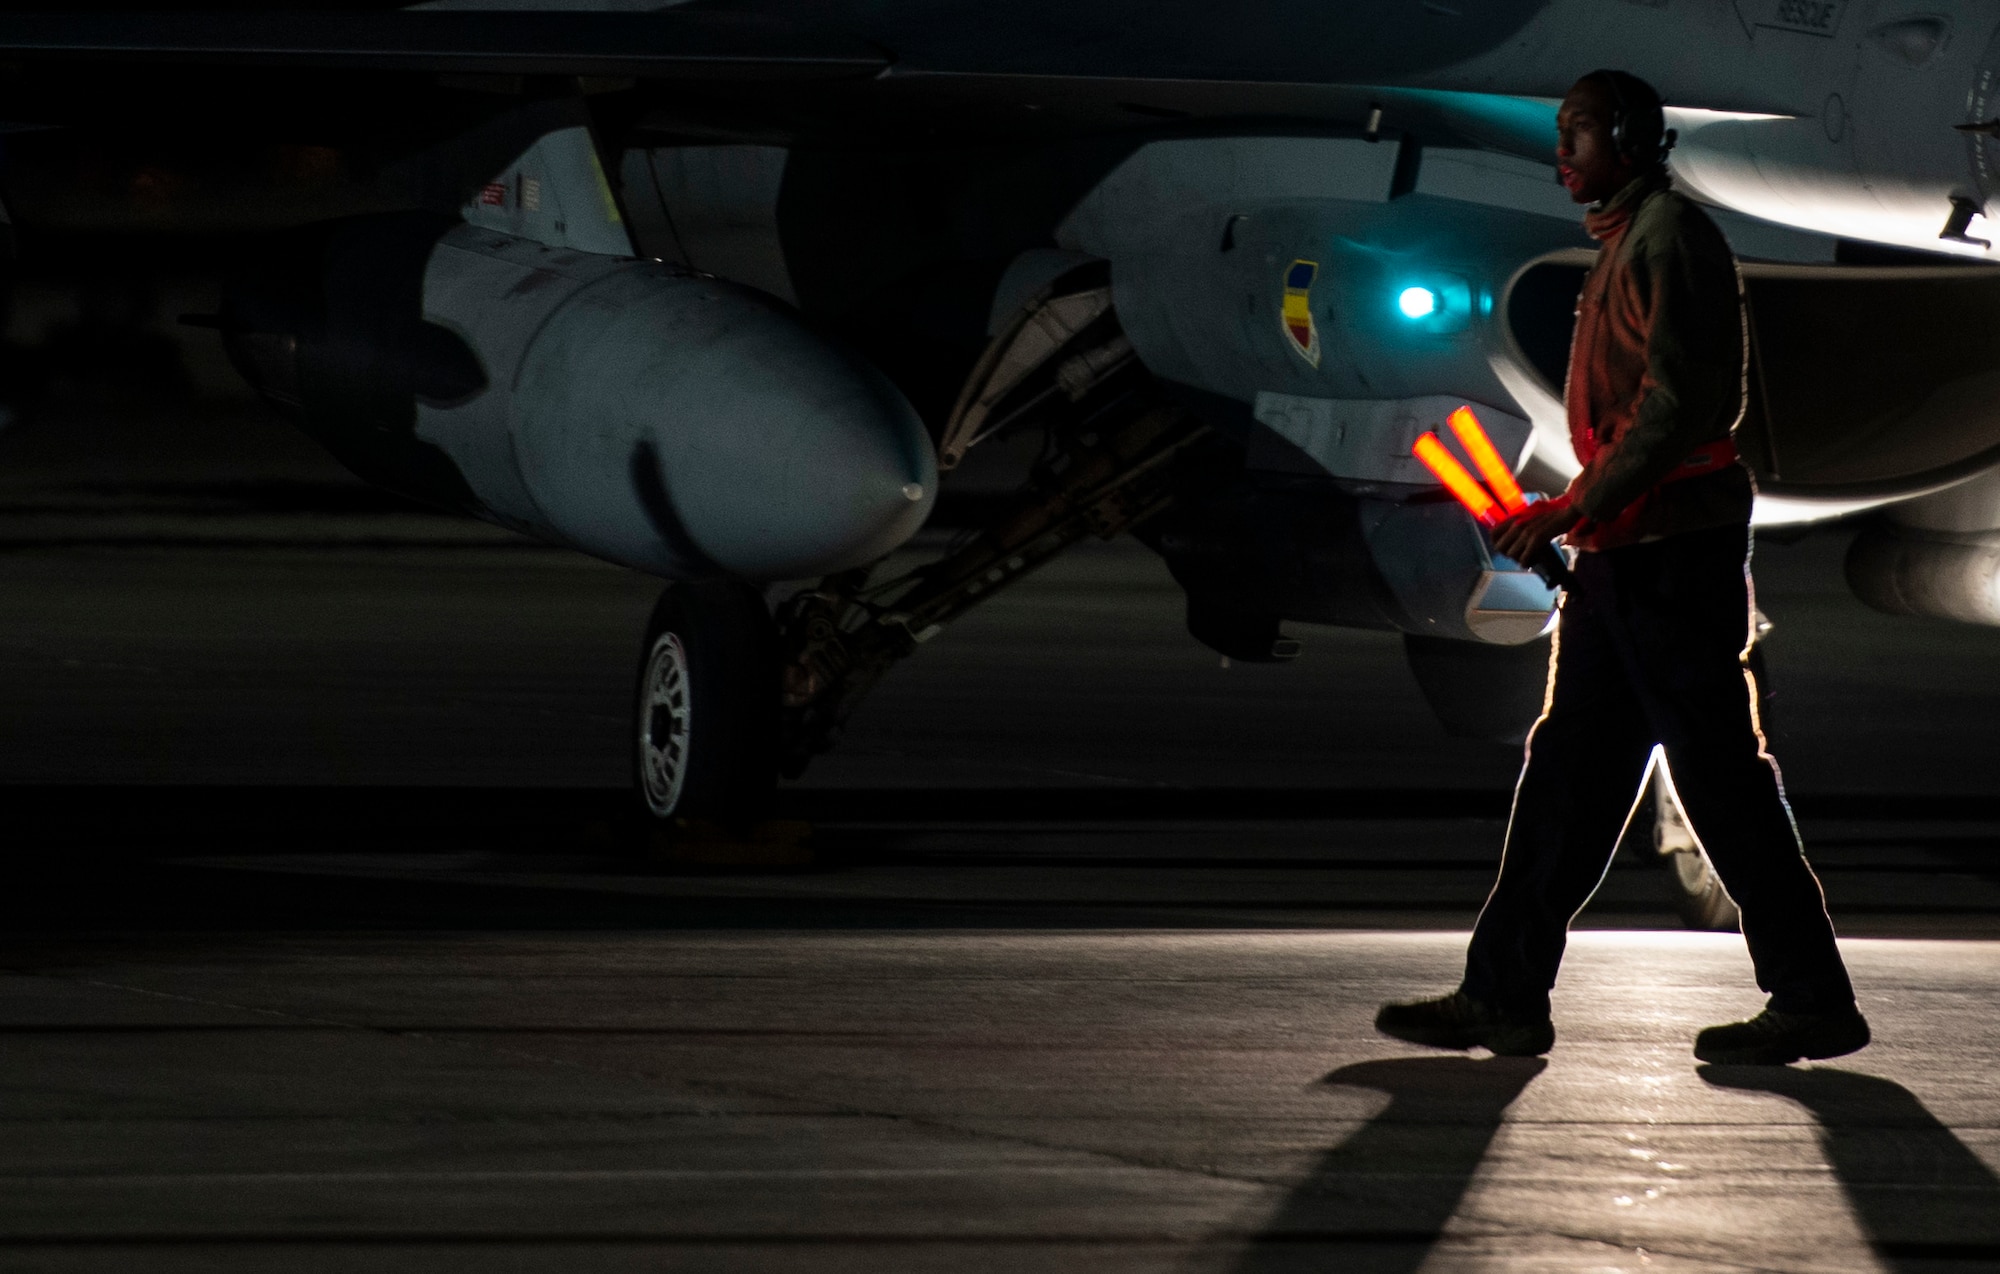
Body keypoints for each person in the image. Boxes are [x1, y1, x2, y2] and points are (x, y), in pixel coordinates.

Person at [1374, 70, 1869, 1066]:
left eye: (1578, 132)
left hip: (1664, 555)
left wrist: (1567, 506)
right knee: (1565, 775)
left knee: (1717, 780)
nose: (1563, 151)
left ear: (1631, 138)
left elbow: (1681, 411)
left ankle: (1810, 996)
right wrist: (1581, 516)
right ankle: (1502, 994)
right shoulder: (1631, 240)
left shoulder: (1667, 242)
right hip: (1626, 553)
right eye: (1560, 131)